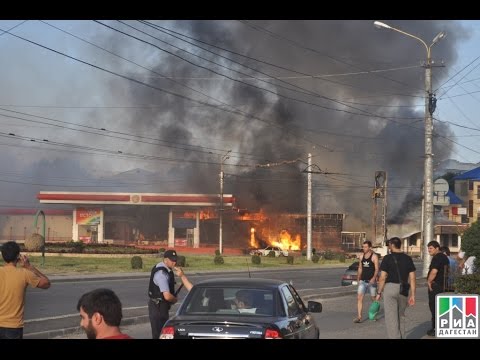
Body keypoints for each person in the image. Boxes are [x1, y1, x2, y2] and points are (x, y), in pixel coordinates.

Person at [0, 241, 51, 339]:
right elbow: (46, 283)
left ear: (3, 256)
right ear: (18, 256)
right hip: (13, 327)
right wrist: (29, 267)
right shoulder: (24, 273)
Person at [375, 237, 416, 339]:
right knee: (399, 316)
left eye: (389, 245)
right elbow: (412, 278)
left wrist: (379, 292)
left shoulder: (387, 258)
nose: (388, 247)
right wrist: (413, 295)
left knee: (391, 319)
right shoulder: (408, 258)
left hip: (390, 288)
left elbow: (383, 277)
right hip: (404, 289)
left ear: (392, 245)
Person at [148, 249, 193, 339]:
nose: (174, 262)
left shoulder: (166, 269)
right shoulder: (161, 273)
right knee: (160, 334)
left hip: (161, 306)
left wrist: (181, 277)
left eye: (175, 259)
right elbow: (167, 296)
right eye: (172, 260)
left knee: (163, 333)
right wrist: (175, 300)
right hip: (158, 307)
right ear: (165, 260)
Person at [426, 240, 450, 337]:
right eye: (428, 248)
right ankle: (441, 327)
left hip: (435, 285)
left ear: (437, 248)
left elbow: (434, 271)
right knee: (441, 307)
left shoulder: (437, 258)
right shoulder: (444, 257)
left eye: (431, 248)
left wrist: (429, 281)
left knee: (434, 307)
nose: (429, 250)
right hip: (443, 285)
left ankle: (435, 328)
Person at [354, 240, 379, 323]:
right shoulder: (361, 256)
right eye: (363, 247)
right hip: (363, 281)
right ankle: (359, 317)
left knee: (373, 298)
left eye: (365, 247)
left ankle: (373, 314)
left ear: (370, 247)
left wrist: (374, 277)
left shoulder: (374, 256)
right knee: (359, 298)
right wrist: (358, 278)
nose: (364, 248)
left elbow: (376, 269)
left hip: (371, 281)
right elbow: (360, 268)